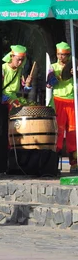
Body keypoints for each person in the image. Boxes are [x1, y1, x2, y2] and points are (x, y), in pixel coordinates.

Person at [47, 41, 77, 173]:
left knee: (73, 133)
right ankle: (53, 163)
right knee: (57, 132)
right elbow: (49, 83)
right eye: (59, 54)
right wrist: (57, 76)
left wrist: (75, 73)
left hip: (72, 101)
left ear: (69, 55)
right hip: (58, 100)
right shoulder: (52, 67)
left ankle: (74, 164)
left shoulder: (75, 65)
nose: (61, 57)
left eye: (63, 55)